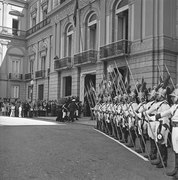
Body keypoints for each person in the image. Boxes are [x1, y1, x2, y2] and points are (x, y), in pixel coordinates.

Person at [147, 84, 178, 177]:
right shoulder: (174, 107)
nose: (172, 98)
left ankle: (166, 162)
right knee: (175, 150)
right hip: (175, 128)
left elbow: (165, 117)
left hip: (171, 127)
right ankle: (176, 169)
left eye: (174, 97)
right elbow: (163, 114)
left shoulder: (166, 105)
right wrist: (153, 117)